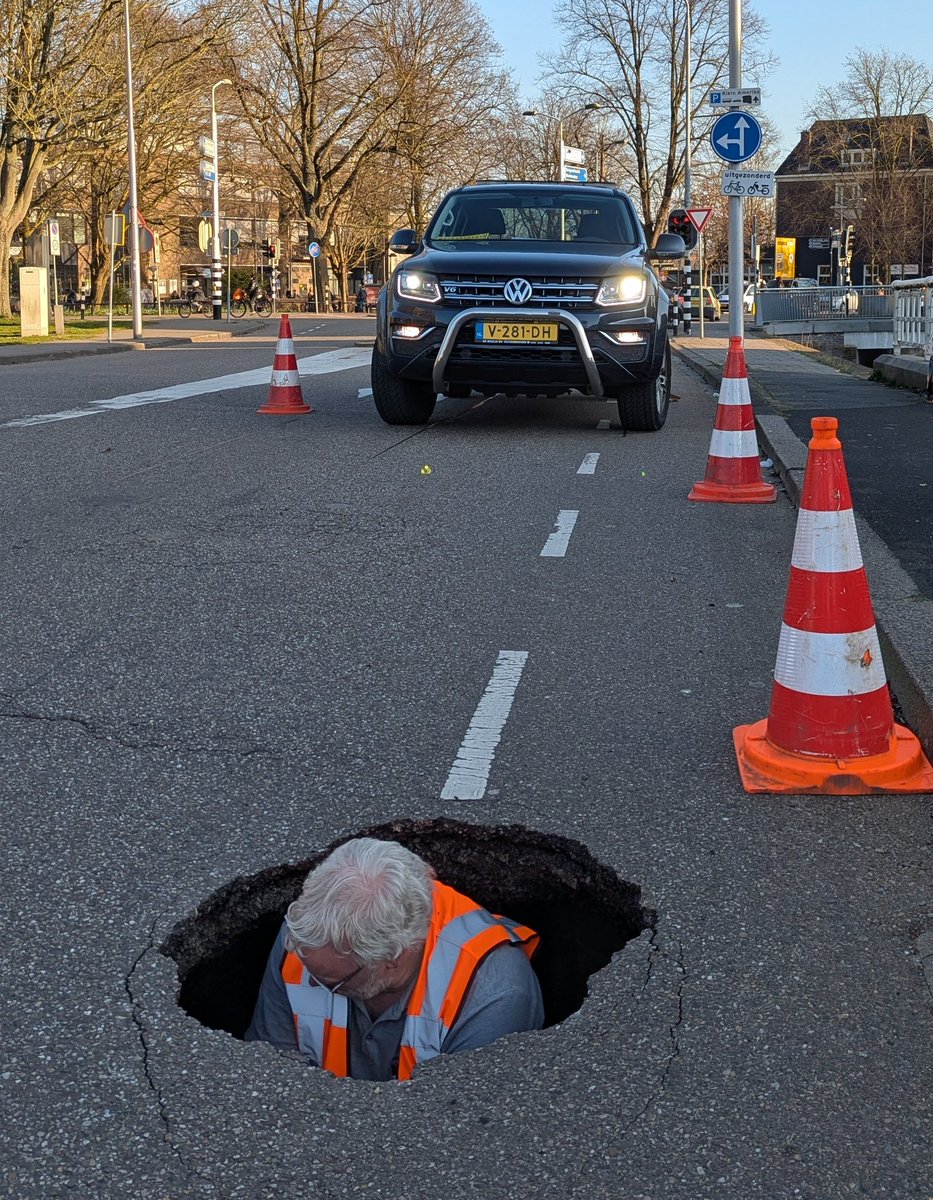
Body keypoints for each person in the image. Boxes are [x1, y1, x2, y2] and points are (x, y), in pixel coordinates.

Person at [246, 838, 544, 1081]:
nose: (308, 980)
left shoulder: (494, 993)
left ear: (394, 957)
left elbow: (459, 1117)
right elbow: (272, 1075)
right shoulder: (303, 938)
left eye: (330, 983)